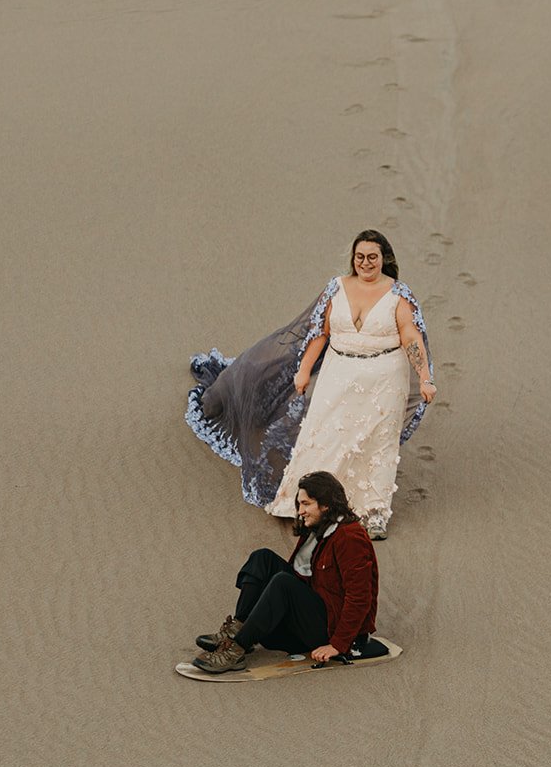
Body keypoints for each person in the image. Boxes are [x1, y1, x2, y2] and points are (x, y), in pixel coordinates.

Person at [185, 229, 435, 537]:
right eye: (360, 257)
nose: (366, 263)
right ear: (353, 259)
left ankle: (373, 514)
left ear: (384, 259)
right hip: (338, 371)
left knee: (377, 443)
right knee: (324, 434)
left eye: (372, 257)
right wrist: (303, 371)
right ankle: (306, 505)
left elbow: (411, 338)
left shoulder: (399, 295)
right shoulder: (337, 288)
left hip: (384, 379)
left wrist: (425, 378)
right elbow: (320, 334)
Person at [192, 471, 379, 674]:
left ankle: (235, 650)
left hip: (329, 630)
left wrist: (337, 644)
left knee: (283, 583)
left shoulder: (349, 538)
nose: (301, 511)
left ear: (326, 505)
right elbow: (304, 578)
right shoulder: (318, 527)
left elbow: (360, 597)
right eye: (300, 504)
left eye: (306, 504)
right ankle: (238, 628)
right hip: (314, 612)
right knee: (262, 558)